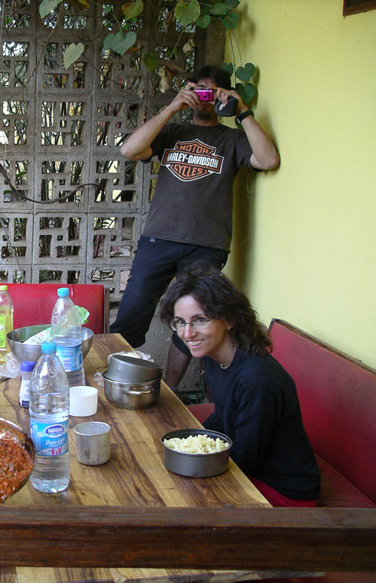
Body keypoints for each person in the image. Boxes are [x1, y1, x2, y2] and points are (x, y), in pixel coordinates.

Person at [110, 64, 281, 390]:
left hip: (208, 243)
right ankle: (115, 382)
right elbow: (129, 149)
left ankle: (171, 393)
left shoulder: (233, 139)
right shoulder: (173, 133)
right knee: (131, 314)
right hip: (158, 238)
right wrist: (173, 106)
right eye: (198, 89)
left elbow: (268, 159)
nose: (204, 97)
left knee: (192, 322)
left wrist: (242, 111)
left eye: (212, 91)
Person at [158, 263, 320, 507]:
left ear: (229, 318)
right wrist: (185, 441)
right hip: (252, 472)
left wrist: (192, 457)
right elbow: (224, 415)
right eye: (180, 322)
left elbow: (245, 460)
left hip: (283, 493)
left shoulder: (257, 380)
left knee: (172, 496)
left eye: (199, 320)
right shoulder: (215, 355)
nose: (187, 333)